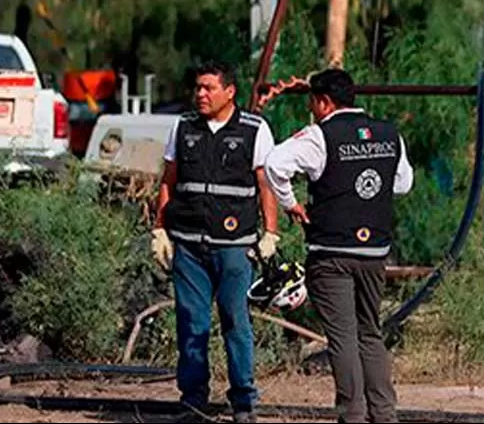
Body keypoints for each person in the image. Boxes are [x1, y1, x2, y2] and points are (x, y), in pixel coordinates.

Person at [263, 68, 413, 424]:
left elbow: (274, 164)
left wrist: (290, 204)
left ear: (323, 102)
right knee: (370, 333)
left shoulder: (319, 136)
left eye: (313, 103)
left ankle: (353, 416)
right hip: (374, 252)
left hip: (331, 254)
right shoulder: (390, 134)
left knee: (343, 338)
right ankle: (384, 414)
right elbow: (403, 183)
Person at [150, 61, 280, 424]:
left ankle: (243, 402)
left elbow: (265, 183)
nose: (201, 94)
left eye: (208, 88)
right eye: (198, 87)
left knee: (235, 320)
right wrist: (160, 229)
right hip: (189, 245)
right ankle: (193, 402)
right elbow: (168, 180)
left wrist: (271, 232)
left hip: (234, 246)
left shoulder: (254, 129)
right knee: (191, 324)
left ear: (230, 91)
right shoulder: (184, 127)